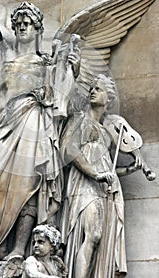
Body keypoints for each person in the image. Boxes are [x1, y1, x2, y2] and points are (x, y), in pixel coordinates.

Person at [0, 0, 80, 262]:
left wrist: (71, 69)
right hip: (3, 128)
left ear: (38, 29)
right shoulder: (3, 56)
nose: (21, 26)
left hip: (33, 124)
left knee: (30, 182)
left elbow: (63, 100)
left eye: (27, 23)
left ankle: (18, 248)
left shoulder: (47, 63)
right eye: (17, 22)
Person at [60, 74, 144, 278]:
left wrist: (127, 171)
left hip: (105, 189)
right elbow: (69, 150)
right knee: (93, 234)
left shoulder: (107, 132)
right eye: (92, 88)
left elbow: (109, 169)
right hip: (84, 184)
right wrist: (95, 174)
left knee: (100, 238)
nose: (92, 91)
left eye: (98, 89)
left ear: (109, 99)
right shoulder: (80, 119)